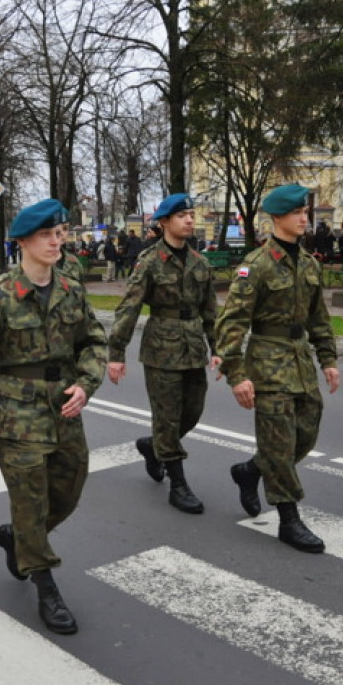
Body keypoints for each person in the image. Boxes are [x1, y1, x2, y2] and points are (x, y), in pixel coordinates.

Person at [0, 198, 107, 634]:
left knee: (70, 487)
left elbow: (94, 342)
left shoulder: (71, 289)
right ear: (22, 242)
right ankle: (44, 582)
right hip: (17, 414)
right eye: (46, 235)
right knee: (30, 500)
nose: (56, 242)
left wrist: (87, 382)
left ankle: (20, 538)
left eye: (60, 234)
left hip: (64, 407)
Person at [215, 184, 340, 552]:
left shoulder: (309, 263)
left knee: (305, 434)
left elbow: (320, 318)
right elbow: (231, 323)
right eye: (298, 213)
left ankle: (250, 471)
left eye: (306, 212)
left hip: (300, 361)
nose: (305, 218)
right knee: (279, 441)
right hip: (268, 365)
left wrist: (328, 359)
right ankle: (289, 519)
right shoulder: (256, 265)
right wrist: (237, 375)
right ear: (277, 218)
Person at [107, 194, 219, 514]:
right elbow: (129, 307)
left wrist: (219, 349)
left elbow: (210, 312)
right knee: (168, 416)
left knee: (193, 410)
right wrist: (116, 353)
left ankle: (154, 447)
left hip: (193, 346)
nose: (189, 220)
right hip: (161, 349)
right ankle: (178, 484)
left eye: (191, 215)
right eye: (182, 215)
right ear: (165, 222)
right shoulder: (149, 261)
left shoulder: (201, 262)